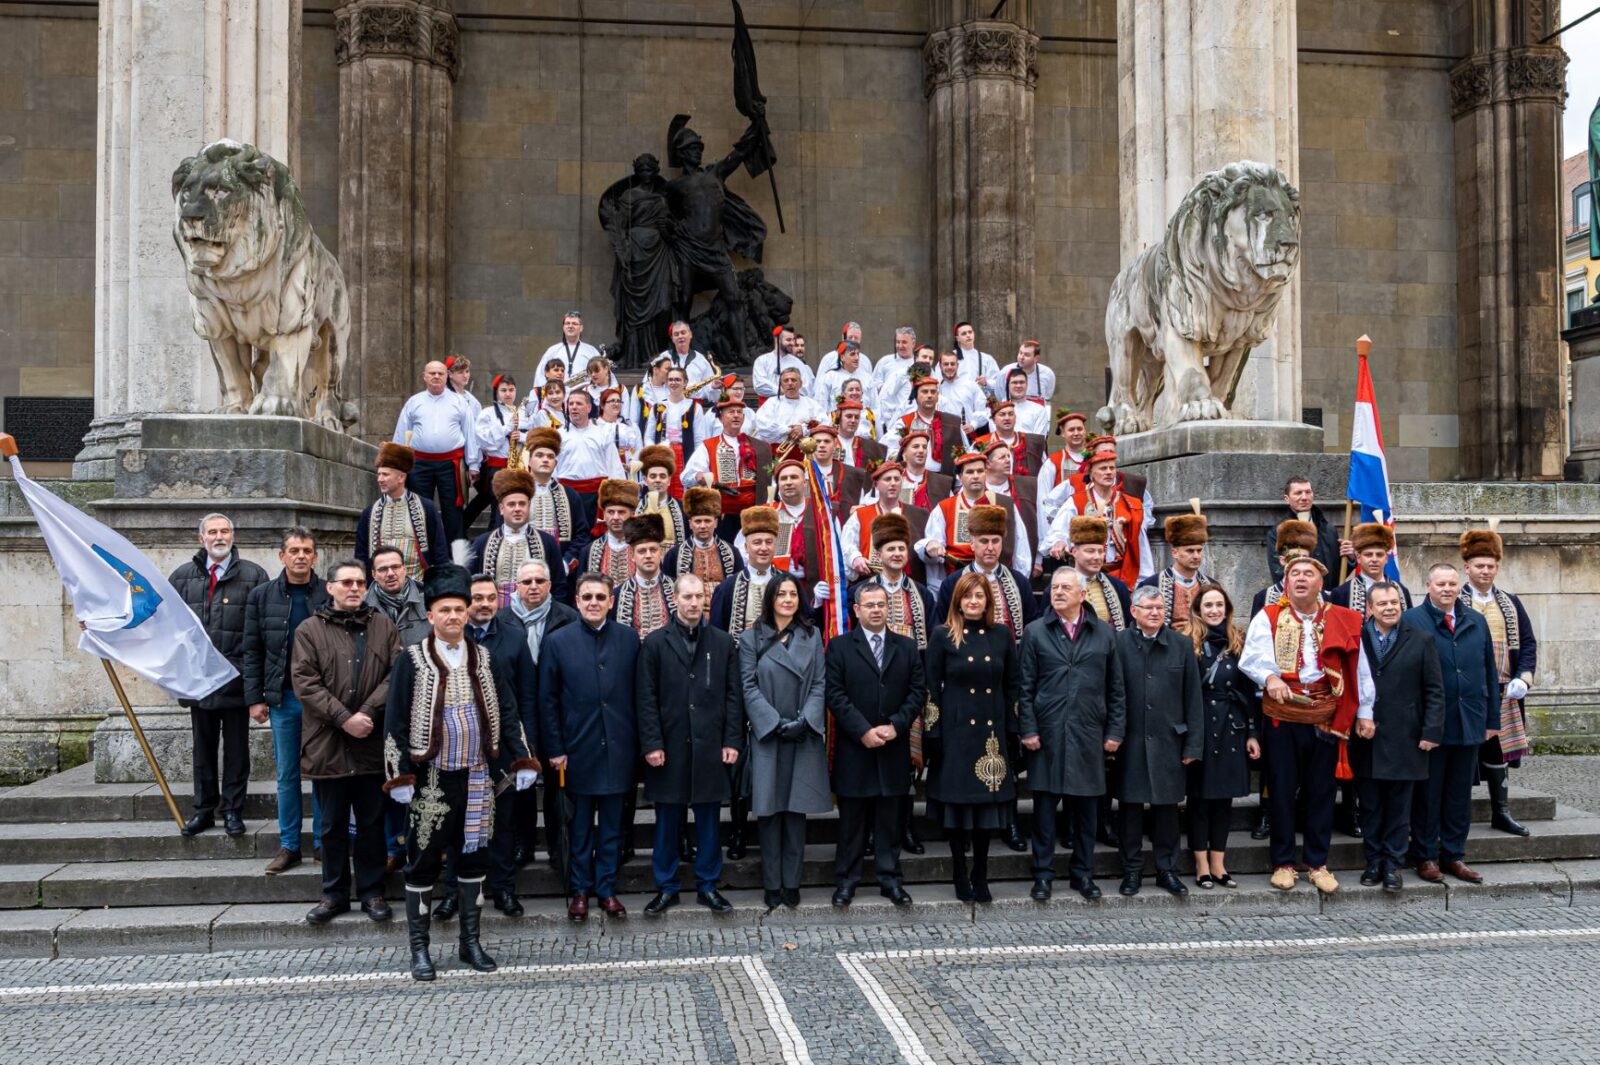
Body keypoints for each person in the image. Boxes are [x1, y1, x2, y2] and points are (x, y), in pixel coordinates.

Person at [384, 564, 538, 980]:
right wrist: (399, 774)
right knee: (422, 864)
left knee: (474, 859)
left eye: (459, 609)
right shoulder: (412, 660)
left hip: (477, 777)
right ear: (430, 615)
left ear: (468, 613)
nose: (453, 616)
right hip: (431, 779)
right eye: (444, 610)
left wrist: (521, 757)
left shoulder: (485, 658)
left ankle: (470, 943)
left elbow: (508, 711)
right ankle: (420, 950)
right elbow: (395, 721)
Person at [1240, 547, 1372, 894]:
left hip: (1326, 717)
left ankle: (1317, 862)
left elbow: (1359, 669)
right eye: (1294, 574)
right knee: (1281, 790)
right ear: (1286, 582)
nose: (1300, 579)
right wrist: (1270, 678)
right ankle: (1283, 862)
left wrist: (1365, 712)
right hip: (1283, 717)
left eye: (1307, 574)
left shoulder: (1342, 618)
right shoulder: (1268, 616)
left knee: (1322, 792)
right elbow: (1251, 658)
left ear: (1321, 583)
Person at [424, 574, 541, 918]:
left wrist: (526, 753)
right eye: (478, 598)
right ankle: (452, 894)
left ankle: (504, 890)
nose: (485, 604)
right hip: (455, 749)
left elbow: (525, 699)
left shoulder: (515, 639)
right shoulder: (445, 642)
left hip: (501, 749)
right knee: (454, 826)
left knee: (502, 825)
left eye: (492, 597)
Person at [292, 558, 402, 925]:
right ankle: (333, 893)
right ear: (331, 587)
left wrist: (366, 713)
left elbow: (395, 674)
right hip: (328, 741)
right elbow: (306, 683)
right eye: (346, 583)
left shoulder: (383, 625)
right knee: (331, 825)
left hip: (370, 740)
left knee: (372, 823)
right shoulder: (309, 630)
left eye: (359, 582)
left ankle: (372, 892)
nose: (354, 588)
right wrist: (343, 718)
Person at [636, 573, 741, 915]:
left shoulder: (723, 643)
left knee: (709, 820)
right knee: (667, 821)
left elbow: (733, 697)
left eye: (699, 597)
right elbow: (646, 697)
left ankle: (707, 885)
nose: (694, 603)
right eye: (687, 597)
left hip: (711, 745)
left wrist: (731, 740)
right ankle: (667, 886)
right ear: (675, 600)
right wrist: (651, 742)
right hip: (669, 745)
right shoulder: (654, 643)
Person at [538, 573, 640, 921]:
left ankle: (607, 889)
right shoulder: (557, 641)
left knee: (612, 827)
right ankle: (580, 889)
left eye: (600, 597)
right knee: (579, 827)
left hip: (618, 748)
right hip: (576, 750)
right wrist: (555, 747)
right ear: (577, 601)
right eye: (587, 597)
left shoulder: (628, 639)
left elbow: (640, 696)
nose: (594, 602)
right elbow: (547, 700)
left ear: (611, 601)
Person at [1017, 568, 1123, 900]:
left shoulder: (1105, 634)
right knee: (1045, 813)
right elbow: (1024, 687)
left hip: (1089, 732)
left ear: (1082, 595)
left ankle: (1083, 874)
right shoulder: (1035, 632)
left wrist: (1115, 730)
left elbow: (1116, 688)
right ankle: (1043, 875)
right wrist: (1029, 729)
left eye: (1066, 587)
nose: (1058, 592)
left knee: (1087, 812)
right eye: (1054, 587)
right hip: (1047, 734)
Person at [825, 583, 926, 907]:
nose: (876, 610)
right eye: (869, 605)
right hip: (856, 748)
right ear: (856, 609)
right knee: (852, 822)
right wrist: (863, 731)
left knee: (890, 820)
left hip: (893, 746)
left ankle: (889, 879)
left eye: (881, 604)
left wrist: (897, 725)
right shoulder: (839, 647)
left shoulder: (906, 647)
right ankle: (847, 881)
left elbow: (917, 691)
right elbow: (835, 695)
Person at [168, 513, 269, 838]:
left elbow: (262, 632)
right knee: (203, 749)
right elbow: (167, 626)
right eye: (212, 532)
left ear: (233, 535)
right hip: (200, 681)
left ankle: (233, 811)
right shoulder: (182, 577)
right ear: (202, 539)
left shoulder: (254, 576)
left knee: (237, 751)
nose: (219, 536)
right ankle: (203, 810)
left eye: (225, 531)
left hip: (239, 680)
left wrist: (260, 687)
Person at [925, 573, 1021, 900]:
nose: (973, 601)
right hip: (956, 732)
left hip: (991, 733)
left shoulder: (1001, 635)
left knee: (985, 809)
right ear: (957, 601)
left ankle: (981, 872)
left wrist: (1013, 727)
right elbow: (930, 689)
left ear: (988, 600)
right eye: (967, 596)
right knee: (958, 807)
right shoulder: (942, 636)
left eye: (979, 596)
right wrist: (933, 731)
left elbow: (1013, 686)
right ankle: (957, 870)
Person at [739, 573, 830, 910]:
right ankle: (771, 882)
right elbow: (747, 686)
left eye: (793, 594)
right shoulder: (752, 638)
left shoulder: (812, 635)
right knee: (769, 811)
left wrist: (805, 720)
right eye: (782, 595)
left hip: (802, 733)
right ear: (771, 599)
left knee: (796, 812)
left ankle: (792, 882)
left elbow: (820, 683)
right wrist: (773, 723)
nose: (788, 600)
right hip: (769, 735)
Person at [1404, 562, 1499, 885]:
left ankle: (1454, 854)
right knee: (1428, 794)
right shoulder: (1412, 621)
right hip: (1431, 724)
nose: (1447, 589)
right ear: (1428, 585)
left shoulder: (1476, 620)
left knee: (1459, 794)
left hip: (1469, 719)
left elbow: (1489, 671)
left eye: (1452, 584)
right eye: (1441, 584)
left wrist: (1492, 718)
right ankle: (1426, 854)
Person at [243, 527, 329, 874]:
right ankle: (290, 844)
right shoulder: (262, 596)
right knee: (287, 775)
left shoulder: (328, 593)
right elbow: (252, 649)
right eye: (293, 550)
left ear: (315, 556)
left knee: (324, 773)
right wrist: (255, 698)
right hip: (284, 698)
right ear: (282, 556)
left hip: (323, 700)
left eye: (306, 550)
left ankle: (324, 842)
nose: (300, 556)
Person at [1109, 585, 1204, 897]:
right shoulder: (1118, 643)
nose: (1154, 613)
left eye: (1160, 608)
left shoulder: (1180, 645)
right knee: (1130, 810)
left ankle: (1167, 869)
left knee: (1167, 811)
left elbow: (1193, 699)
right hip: (1131, 740)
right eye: (1148, 608)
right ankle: (1132, 870)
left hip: (1169, 742)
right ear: (1133, 611)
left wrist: (1192, 745)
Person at [1352, 581, 1444, 894]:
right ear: (1370, 609)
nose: (1390, 608)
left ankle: (1393, 863)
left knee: (1399, 806)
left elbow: (1434, 690)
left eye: (1395, 602)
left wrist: (1431, 731)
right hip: (1367, 737)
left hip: (1406, 737)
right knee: (1370, 805)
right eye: (1383, 603)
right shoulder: (1357, 639)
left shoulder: (1421, 640)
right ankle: (1373, 860)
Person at [708, 505, 783, 859]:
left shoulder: (786, 586)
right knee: (737, 759)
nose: (763, 548)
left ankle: (772, 828)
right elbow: (719, 637)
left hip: (779, 684)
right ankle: (738, 831)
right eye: (757, 542)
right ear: (746, 546)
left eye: (769, 541)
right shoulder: (727, 587)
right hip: (739, 683)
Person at [1459, 525, 1538, 837]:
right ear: (1467, 567)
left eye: (1491, 566)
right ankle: (1457, 816)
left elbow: (1529, 644)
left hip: (1504, 692)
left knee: (1497, 752)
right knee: (1462, 755)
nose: (1486, 571)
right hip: (1465, 694)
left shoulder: (1511, 602)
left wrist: (1524, 678)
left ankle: (1501, 813)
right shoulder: (1453, 600)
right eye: (1480, 565)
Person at [1178, 585, 1259, 889]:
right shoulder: (1187, 642)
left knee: (1223, 800)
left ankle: (1219, 863)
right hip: (1200, 728)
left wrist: (1252, 731)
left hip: (1230, 728)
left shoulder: (1238, 640)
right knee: (1199, 799)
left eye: (1219, 605)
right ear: (1198, 610)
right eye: (1208, 605)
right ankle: (1200, 864)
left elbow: (1250, 692)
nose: (1214, 610)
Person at [505, 559, 579, 871]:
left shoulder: (568, 618)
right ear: (516, 587)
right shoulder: (504, 620)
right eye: (527, 582)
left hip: (558, 713)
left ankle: (557, 845)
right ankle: (523, 843)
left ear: (550, 585)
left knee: (555, 784)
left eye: (539, 580)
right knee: (521, 784)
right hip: (519, 714)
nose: (533, 586)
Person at [393, 360, 482, 561]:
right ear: (424, 376)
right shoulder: (414, 402)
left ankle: (457, 560)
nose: (436, 376)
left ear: (446, 376)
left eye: (440, 373)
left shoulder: (460, 402)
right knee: (419, 510)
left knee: (454, 513)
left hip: (451, 464)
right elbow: (401, 434)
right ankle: (422, 557)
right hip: (419, 465)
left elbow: (470, 434)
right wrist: (399, 466)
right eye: (431, 373)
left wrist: (473, 464)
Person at [926, 493, 1036, 645]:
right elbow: (942, 630)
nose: (990, 548)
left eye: (995, 541)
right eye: (984, 541)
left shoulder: (1019, 582)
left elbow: (1031, 626)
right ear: (972, 543)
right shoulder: (952, 583)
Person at [920, 456, 1032, 596]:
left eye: (980, 471)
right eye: (970, 472)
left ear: (986, 473)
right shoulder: (945, 508)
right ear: (960, 477)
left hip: (998, 581)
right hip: (959, 584)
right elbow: (935, 551)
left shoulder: (1005, 504)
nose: (975, 476)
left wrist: (1017, 582)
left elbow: (1020, 545)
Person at [1043, 445, 1151, 589]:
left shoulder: (1131, 504)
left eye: (1112, 468)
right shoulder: (1076, 501)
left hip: (1123, 576)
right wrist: (1059, 542)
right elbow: (1059, 530)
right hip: (1085, 575)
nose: (1108, 472)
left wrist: (1145, 579)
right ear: (1091, 473)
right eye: (1103, 468)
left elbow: (1140, 545)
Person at [467, 467, 570, 608]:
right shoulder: (481, 543)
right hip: (495, 621)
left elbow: (559, 586)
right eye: (511, 504)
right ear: (501, 509)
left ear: (529, 507)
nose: (517, 509)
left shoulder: (547, 542)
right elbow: (469, 585)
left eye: (522, 504)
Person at [681, 396, 773, 542]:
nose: (736, 415)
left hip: (753, 513)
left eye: (739, 412)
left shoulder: (759, 446)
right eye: (731, 412)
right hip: (723, 514)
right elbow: (685, 477)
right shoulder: (709, 445)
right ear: (721, 418)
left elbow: (769, 479)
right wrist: (699, 476)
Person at [355, 442, 450, 580]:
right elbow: (361, 557)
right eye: (379, 474)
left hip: (420, 590)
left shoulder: (426, 508)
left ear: (401, 477)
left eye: (385, 474)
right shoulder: (369, 513)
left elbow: (440, 553)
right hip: (379, 594)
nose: (380, 479)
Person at [516, 426, 592, 577]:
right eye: (539, 455)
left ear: (555, 464)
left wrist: (566, 562)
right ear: (529, 460)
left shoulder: (570, 495)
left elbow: (582, 534)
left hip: (560, 570)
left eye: (550, 457)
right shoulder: (516, 495)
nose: (545, 460)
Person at [842, 462, 929, 583]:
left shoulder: (919, 515)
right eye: (887, 479)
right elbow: (846, 544)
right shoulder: (861, 514)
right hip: (870, 584)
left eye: (897, 479)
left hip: (907, 583)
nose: (893, 483)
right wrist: (855, 558)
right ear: (876, 485)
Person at [558, 390, 627, 535]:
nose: (574, 407)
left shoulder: (601, 434)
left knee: (593, 536)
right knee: (569, 535)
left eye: (579, 403)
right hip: (566, 494)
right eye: (571, 404)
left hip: (595, 496)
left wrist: (618, 497)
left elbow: (614, 466)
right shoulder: (559, 435)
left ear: (589, 408)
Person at [1137, 511, 1217, 626]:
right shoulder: (1151, 584)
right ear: (1175, 553)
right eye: (1190, 551)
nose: (1196, 556)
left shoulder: (1212, 585)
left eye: (1199, 551)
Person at [465, 373, 522, 533]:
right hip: (496, 469)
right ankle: (492, 538)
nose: (508, 394)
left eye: (511, 390)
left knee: (500, 504)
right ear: (496, 392)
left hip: (517, 467)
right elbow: (484, 441)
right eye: (503, 390)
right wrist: (506, 429)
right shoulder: (487, 413)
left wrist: (521, 436)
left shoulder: (521, 412)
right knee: (498, 507)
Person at [1264, 476, 1347, 583]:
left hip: (1327, 597)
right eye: (1298, 493)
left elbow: (1338, 572)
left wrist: (1349, 558)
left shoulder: (1329, 530)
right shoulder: (1278, 532)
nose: (1304, 497)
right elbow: (1278, 572)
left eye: (1308, 492)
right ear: (1287, 499)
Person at [885, 368, 966, 471]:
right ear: (916, 396)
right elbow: (890, 449)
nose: (929, 395)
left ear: (937, 396)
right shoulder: (905, 422)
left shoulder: (952, 422)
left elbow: (965, 450)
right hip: (913, 480)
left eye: (933, 392)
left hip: (945, 481)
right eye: (924, 392)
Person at [612, 513, 676, 638]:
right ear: (632, 556)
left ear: (661, 553)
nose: (648, 555)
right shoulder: (617, 594)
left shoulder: (677, 589)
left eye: (653, 550)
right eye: (642, 551)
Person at [1328, 522, 1413, 614]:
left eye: (1379, 555)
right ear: (1358, 557)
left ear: (1386, 558)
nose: (1374, 559)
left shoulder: (1401, 590)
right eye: (1368, 555)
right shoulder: (1341, 593)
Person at [666, 487, 742, 585]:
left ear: (715, 523)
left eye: (707, 521)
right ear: (690, 524)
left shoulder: (732, 552)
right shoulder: (674, 555)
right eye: (698, 521)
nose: (702, 526)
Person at [365, 545, 431, 646]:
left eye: (395, 567)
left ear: (404, 569)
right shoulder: (362, 606)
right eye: (383, 569)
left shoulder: (430, 600)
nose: (390, 573)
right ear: (374, 574)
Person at [1036, 411, 1089, 533]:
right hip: (1063, 527)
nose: (1076, 433)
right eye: (1071, 430)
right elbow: (1043, 501)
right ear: (1063, 433)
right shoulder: (1053, 463)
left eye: (1080, 429)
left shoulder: (1094, 459)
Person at [751, 367, 823, 449]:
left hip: (806, 453)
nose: (790, 383)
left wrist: (804, 430)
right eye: (786, 380)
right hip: (777, 453)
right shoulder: (772, 403)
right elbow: (762, 424)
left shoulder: (812, 404)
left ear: (801, 383)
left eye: (793, 380)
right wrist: (788, 430)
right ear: (781, 385)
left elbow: (824, 423)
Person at [587, 479, 641, 584]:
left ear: (633, 514)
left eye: (621, 512)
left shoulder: (644, 549)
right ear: (604, 514)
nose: (615, 517)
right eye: (610, 512)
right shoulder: (589, 551)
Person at [656, 320, 722, 402]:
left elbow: (712, 396)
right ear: (672, 339)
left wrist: (712, 387)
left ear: (690, 334)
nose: (680, 336)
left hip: (693, 408)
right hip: (666, 406)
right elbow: (649, 384)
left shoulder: (701, 360)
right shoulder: (662, 358)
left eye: (683, 333)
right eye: (676, 334)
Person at [636, 444, 687, 542]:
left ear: (669, 481)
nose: (658, 480)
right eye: (653, 476)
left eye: (662, 476)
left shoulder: (683, 509)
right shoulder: (635, 509)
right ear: (645, 480)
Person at [934, 349, 991, 437]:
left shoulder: (970, 385)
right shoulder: (936, 389)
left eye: (952, 364)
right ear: (940, 367)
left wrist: (973, 425)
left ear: (957, 365)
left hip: (968, 435)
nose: (949, 367)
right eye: (946, 364)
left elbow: (983, 409)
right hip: (945, 437)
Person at [535, 310, 602, 384]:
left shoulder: (591, 350)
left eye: (574, 323)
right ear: (563, 328)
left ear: (581, 328)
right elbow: (540, 375)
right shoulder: (552, 350)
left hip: (585, 393)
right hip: (558, 393)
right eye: (567, 323)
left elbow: (603, 373)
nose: (570, 326)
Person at [752, 325, 814, 399]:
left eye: (793, 340)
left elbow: (806, 388)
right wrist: (782, 391)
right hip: (768, 406)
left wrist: (790, 392)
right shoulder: (762, 361)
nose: (792, 343)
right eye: (788, 340)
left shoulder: (798, 363)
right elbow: (759, 384)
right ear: (778, 340)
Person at [950, 320, 1001, 391]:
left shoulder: (986, 358)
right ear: (957, 338)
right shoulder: (949, 358)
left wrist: (986, 383)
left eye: (970, 332)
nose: (968, 335)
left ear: (973, 334)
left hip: (979, 400)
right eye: (964, 333)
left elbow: (998, 382)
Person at [1008, 370, 1052, 437]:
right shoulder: (999, 410)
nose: (1018, 385)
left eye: (1022, 382)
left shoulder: (1039, 410)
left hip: (1030, 446)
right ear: (1008, 385)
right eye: (1014, 382)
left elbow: (1039, 439)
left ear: (1027, 385)